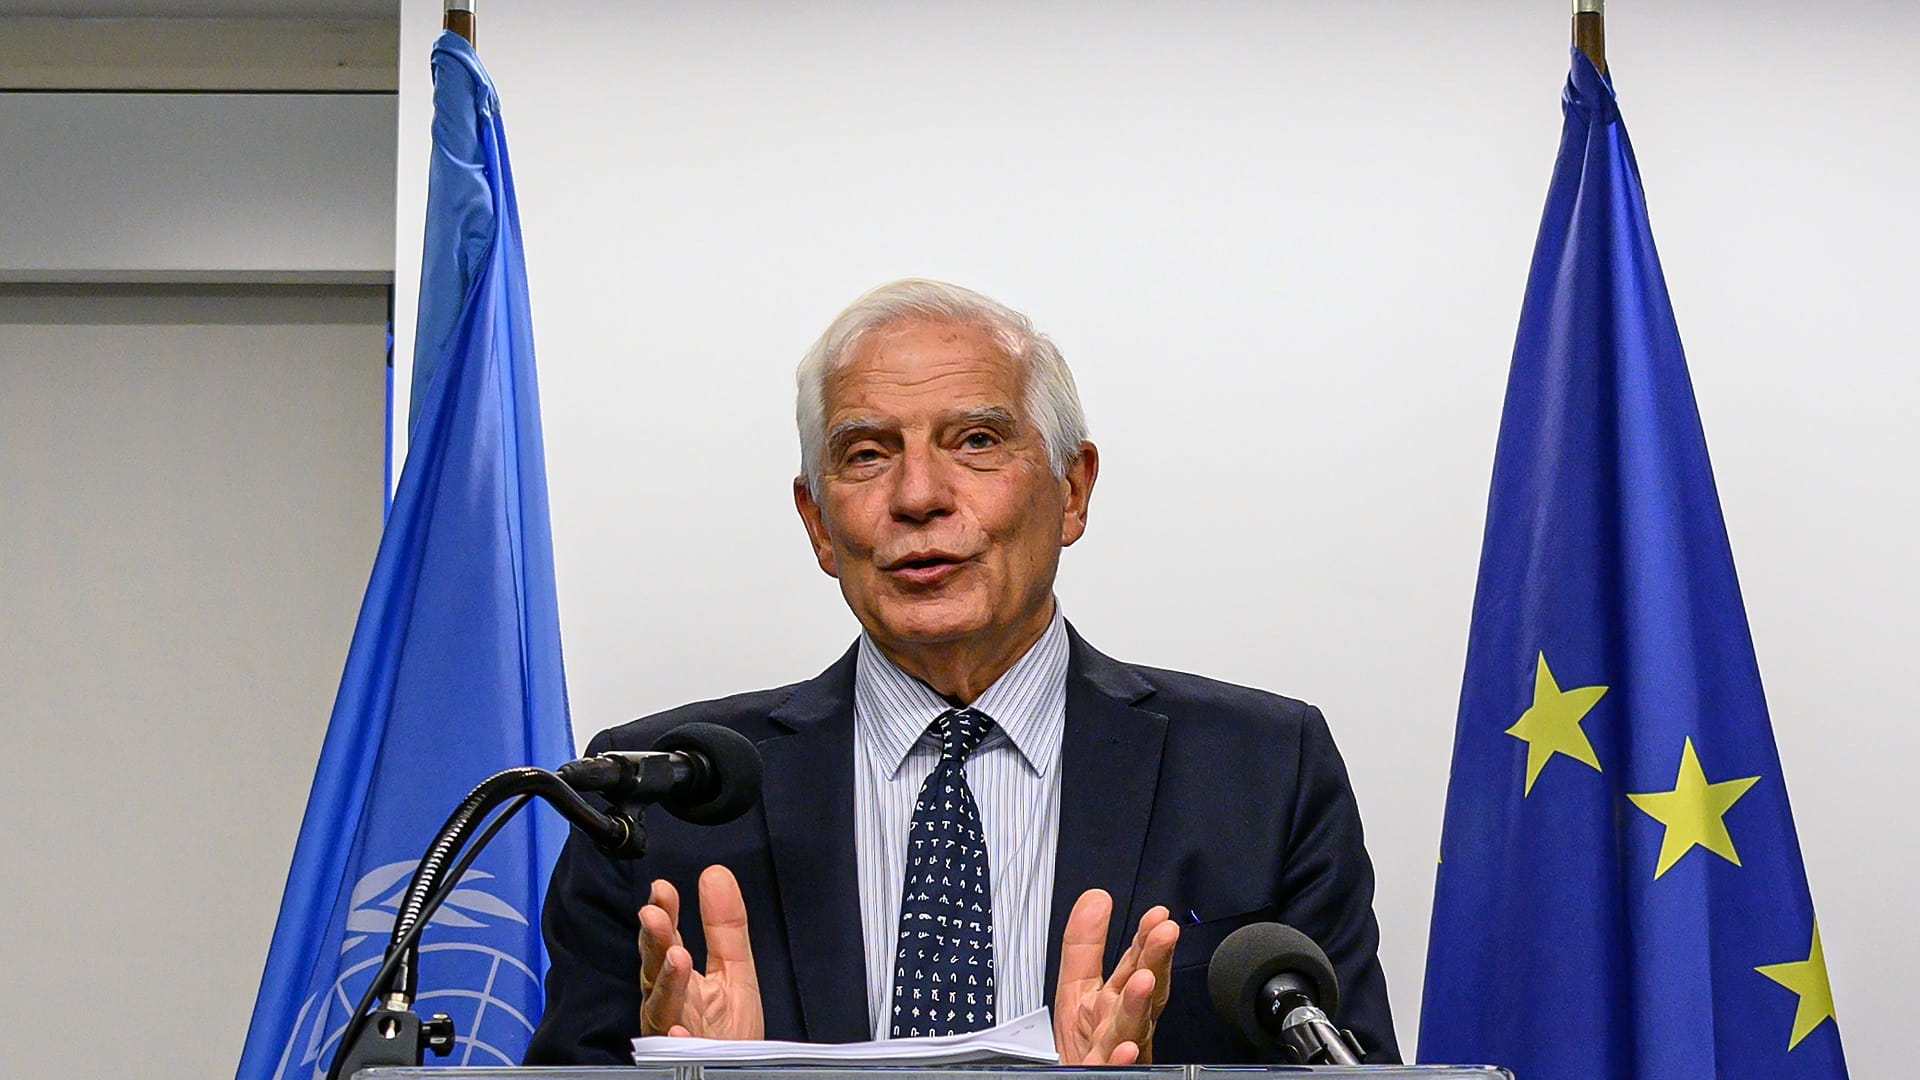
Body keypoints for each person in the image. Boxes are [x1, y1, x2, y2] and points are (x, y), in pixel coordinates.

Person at [524, 280, 1397, 1065]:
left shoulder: (1265, 770)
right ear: (819, 523)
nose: (917, 496)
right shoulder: (660, 794)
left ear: (1072, 490)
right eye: (867, 454)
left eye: (976, 441)